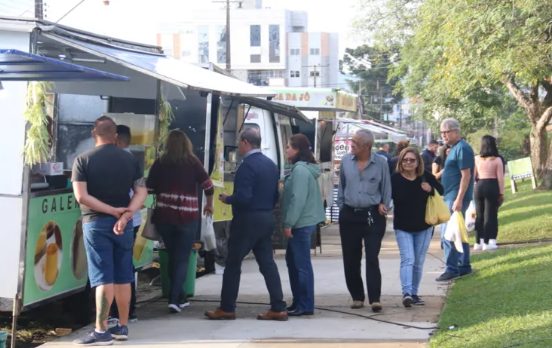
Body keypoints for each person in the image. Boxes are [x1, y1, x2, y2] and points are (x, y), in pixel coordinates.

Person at [72, 116, 147, 345]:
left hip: (95, 224)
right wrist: (125, 215)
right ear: (115, 135)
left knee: (103, 277)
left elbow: (81, 196)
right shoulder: (130, 159)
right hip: (122, 226)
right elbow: (141, 192)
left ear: (94, 133)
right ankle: (122, 327)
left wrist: (112, 211)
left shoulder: (82, 160)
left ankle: (101, 331)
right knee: (124, 275)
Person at [205, 128, 288, 321]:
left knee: (233, 263)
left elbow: (243, 197)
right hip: (266, 218)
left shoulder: (246, 166)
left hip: (247, 220)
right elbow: (276, 195)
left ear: (245, 142)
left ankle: (226, 307)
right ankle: (278, 306)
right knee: (267, 264)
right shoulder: (270, 165)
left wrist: (227, 199)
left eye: (239, 143)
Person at [146, 130, 214, 313]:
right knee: (182, 258)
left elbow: (149, 186)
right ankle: (175, 299)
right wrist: (210, 204)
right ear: (186, 144)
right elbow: (208, 185)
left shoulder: (160, 162)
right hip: (187, 217)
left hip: (165, 217)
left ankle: (180, 297)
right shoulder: (193, 162)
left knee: (173, 255)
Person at [337, 129, 391, 312]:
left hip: (372, 216)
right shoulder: (346, 161)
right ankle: (357, 296)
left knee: (372, 256)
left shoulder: (381, 163)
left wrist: (385, 204)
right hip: (350, 214)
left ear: (367, 146)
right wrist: (342, 207)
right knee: (351, 258)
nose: (352, 144)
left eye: (356, 142)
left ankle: (375, 298)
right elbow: (342, 186)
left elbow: (386, 188)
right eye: (351, 141)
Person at [391, 147, 443, 307]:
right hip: (403, 226)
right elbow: (385, 195)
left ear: (417, 162)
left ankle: (414, 293)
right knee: (408, 259)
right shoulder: (395, 178)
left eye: (411, 160)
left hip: (424, 226)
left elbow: (441, 190)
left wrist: (431, 189)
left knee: (418, 262)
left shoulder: (425, 177)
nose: (408, 163)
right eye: (405, 160)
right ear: (400, 161)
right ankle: (406, 293)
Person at [282, 134, 326, 317]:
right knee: (294, 263)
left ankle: (305, 304)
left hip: (300, 223)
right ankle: (299, 301)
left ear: (297, 149)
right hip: (304, 221)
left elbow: (297, 199)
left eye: (288, 147)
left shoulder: (300, 171)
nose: (286, 150)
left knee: (300, 265)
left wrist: (288, 223)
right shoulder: (302, 169)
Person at [436, 118, 474, 282]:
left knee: (448, 235)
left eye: (447, 131)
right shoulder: (453, 149)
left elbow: (466, 175)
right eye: (442, 132)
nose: (444, 135)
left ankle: (451, 268)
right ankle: (464, 265)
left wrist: (458, 199)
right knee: (458, 231)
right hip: (450, 195)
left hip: (455, 197)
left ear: (456, 131)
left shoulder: (462, 148)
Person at [108, 125, 140, 323]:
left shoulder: (121, 160)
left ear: (117, 138)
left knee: (120, 265)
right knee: (125, 264)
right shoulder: (132, 160)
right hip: (131, 219)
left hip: (124, 219)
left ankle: (122, 313)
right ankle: (127, 312)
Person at [473, 135, 504, 251]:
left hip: (479, 185)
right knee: (489, 215)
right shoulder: (497, 160)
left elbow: (474, 176)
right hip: (492, 185)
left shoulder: (476, 158)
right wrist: (501, 193)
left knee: (479, 215)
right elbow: (500, 178)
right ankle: (488, 241)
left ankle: (478, 241)